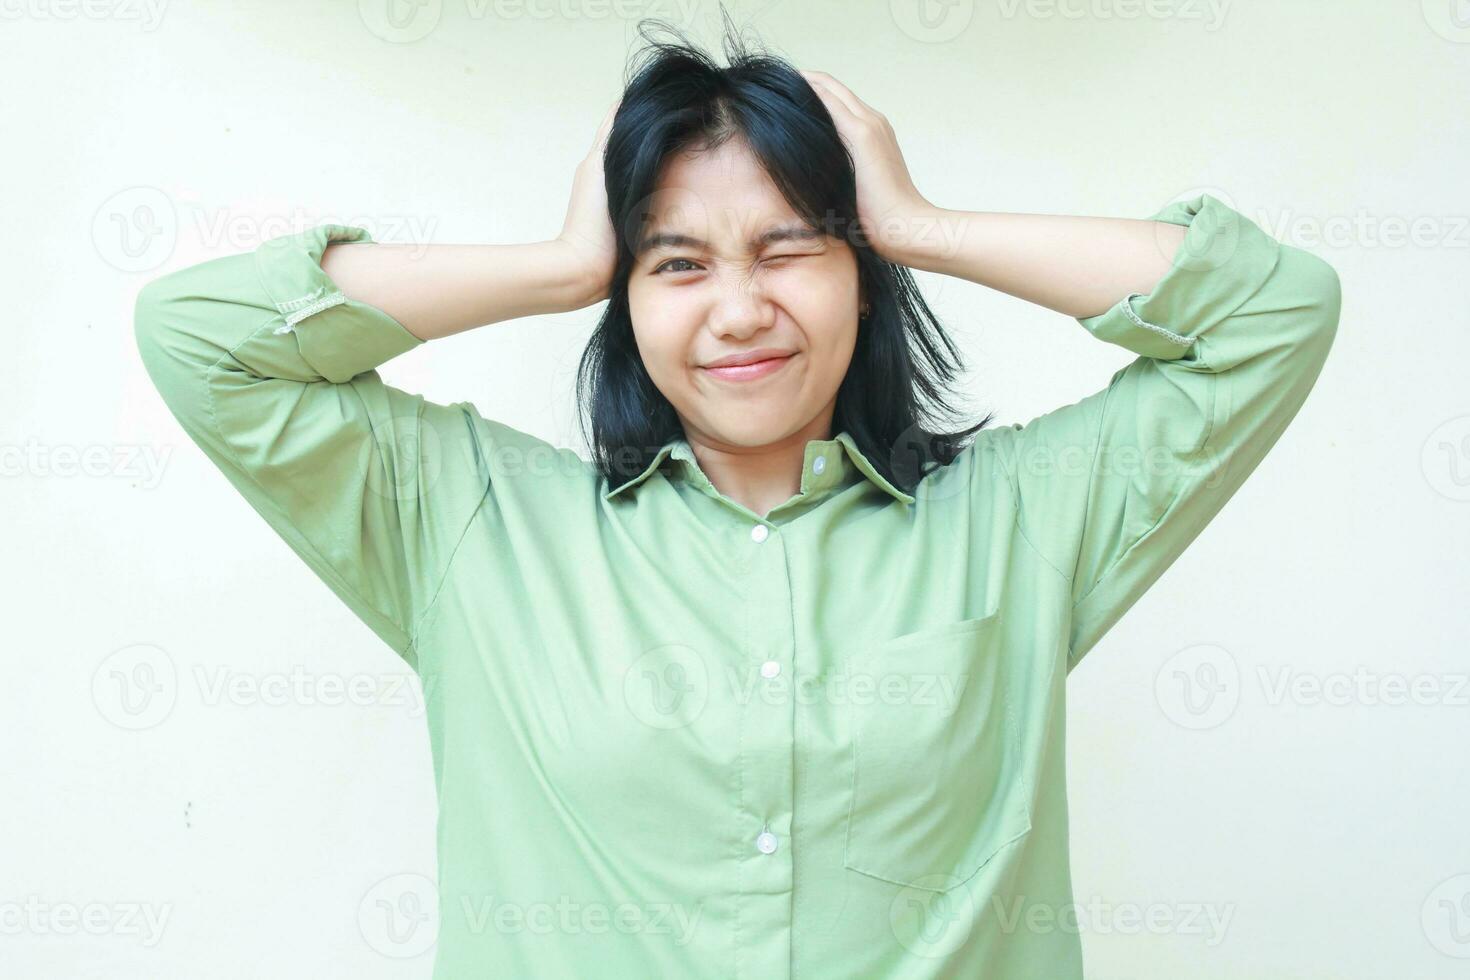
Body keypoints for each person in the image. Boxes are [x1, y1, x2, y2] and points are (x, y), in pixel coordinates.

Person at [132, 21, 1341, 980]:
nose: (739, 308)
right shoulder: (467, 520)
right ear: (628, 298)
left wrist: (921, 224)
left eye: (787, 249)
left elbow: (1273, 313)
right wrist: (562, 266)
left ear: (861, 278)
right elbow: (198, 338)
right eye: (679, 263)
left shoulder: (1023, 518)